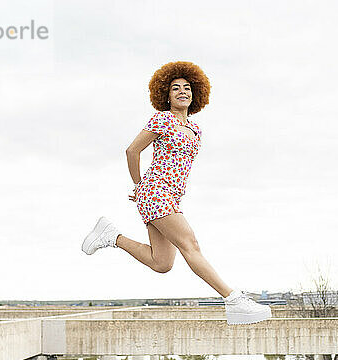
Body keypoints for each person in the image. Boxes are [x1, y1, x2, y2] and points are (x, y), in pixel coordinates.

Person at [81, 61, 271, 325]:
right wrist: (139, 186)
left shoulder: (196, 130)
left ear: (196, 94)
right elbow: (132, 151)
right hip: (155, 192)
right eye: (175, 88)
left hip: (171, 196)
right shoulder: (162, 119)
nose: (182, 91)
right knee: (190, 244)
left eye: (187, 88)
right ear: (166, 95)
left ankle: (112, 236)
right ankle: (233, 300)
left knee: (162, 264)